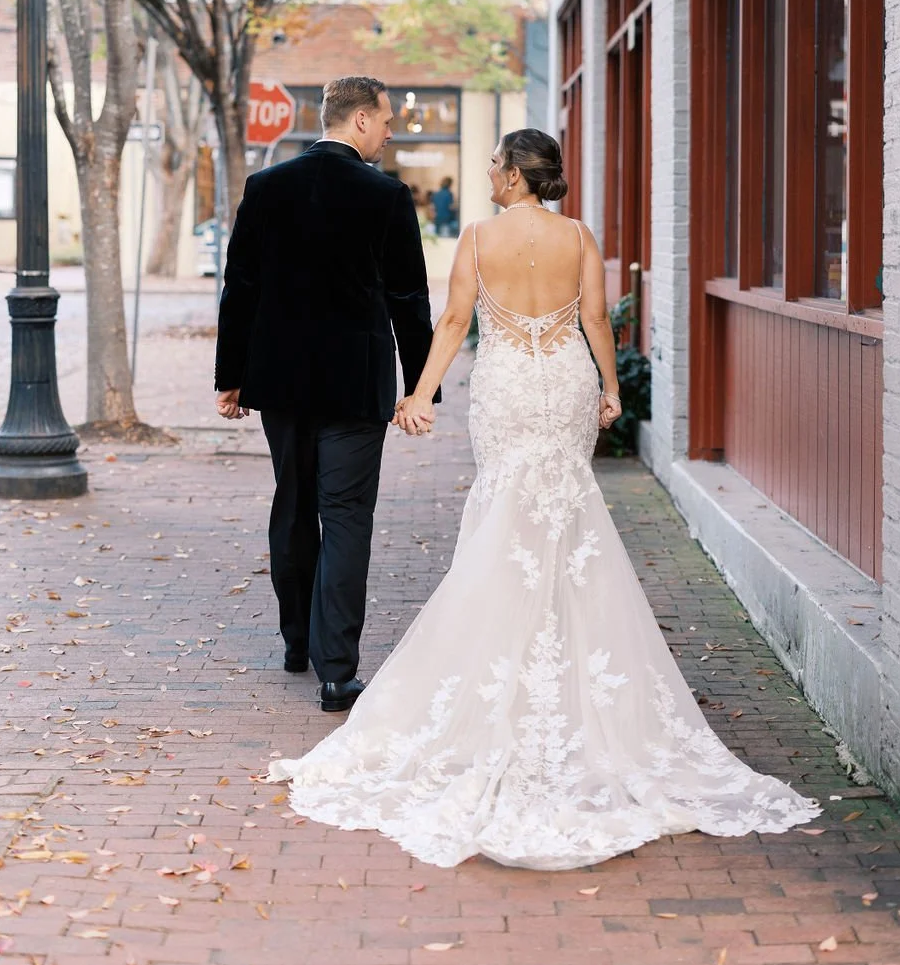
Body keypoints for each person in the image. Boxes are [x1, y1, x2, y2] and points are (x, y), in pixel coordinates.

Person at [268, 128, 821, 869]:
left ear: (514, 175)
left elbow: (455, 321)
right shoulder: (579, 237)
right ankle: (566, 660)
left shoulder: (478, 237)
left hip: (506, 388)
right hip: (564, 383)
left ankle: (503, 659)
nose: (489, 173)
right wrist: (613, 388)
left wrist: (421, 394)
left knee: (506, 507)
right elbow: (595, 320)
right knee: (564, 508)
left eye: (495, 164)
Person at [214, 75, 438, 714]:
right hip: (354, 383)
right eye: (386, 120)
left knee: (293, 503)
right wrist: (421, 387)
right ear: (360, 119)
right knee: (345, 517)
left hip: (280, 380)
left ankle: (295, 642)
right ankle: (336, 672)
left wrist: (231, 376)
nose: (390, 132)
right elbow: (409, 298)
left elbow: (241, 287)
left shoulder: (266, 187)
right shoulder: (385, 195)